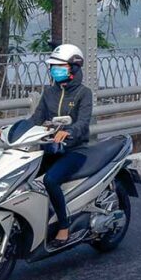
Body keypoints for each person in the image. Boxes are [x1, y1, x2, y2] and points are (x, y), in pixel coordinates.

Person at [22, 44, 93, 245]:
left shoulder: (83, 93)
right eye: (53, 67)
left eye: (60, 66)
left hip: (74, 150)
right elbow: (36, 119)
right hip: (50, 148)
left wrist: (69, 132)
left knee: (50, 180)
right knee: (24, 176)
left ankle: (63, 226)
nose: (55, 70)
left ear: (75, 67)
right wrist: (12, 129)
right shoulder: (49, 92)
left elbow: (83, 122)